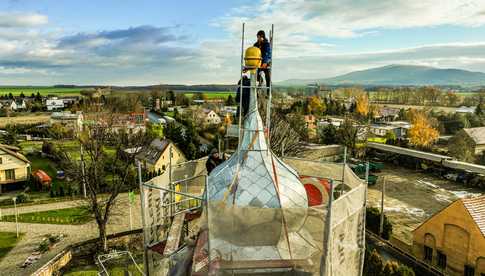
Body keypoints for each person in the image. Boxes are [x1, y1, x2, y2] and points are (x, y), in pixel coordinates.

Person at [253, 30, 272, 94]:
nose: (258, 38)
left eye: (259, 37)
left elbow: (268, 53)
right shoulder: (255, 45)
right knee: (256, 75)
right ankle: (260, 82)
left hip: (266, 63)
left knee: (268, 76)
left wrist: (265, 62)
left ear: (262, 37)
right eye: (257, 37)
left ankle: (268, 92)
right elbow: (253, 53)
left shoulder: (267, 44)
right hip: (258, 63)